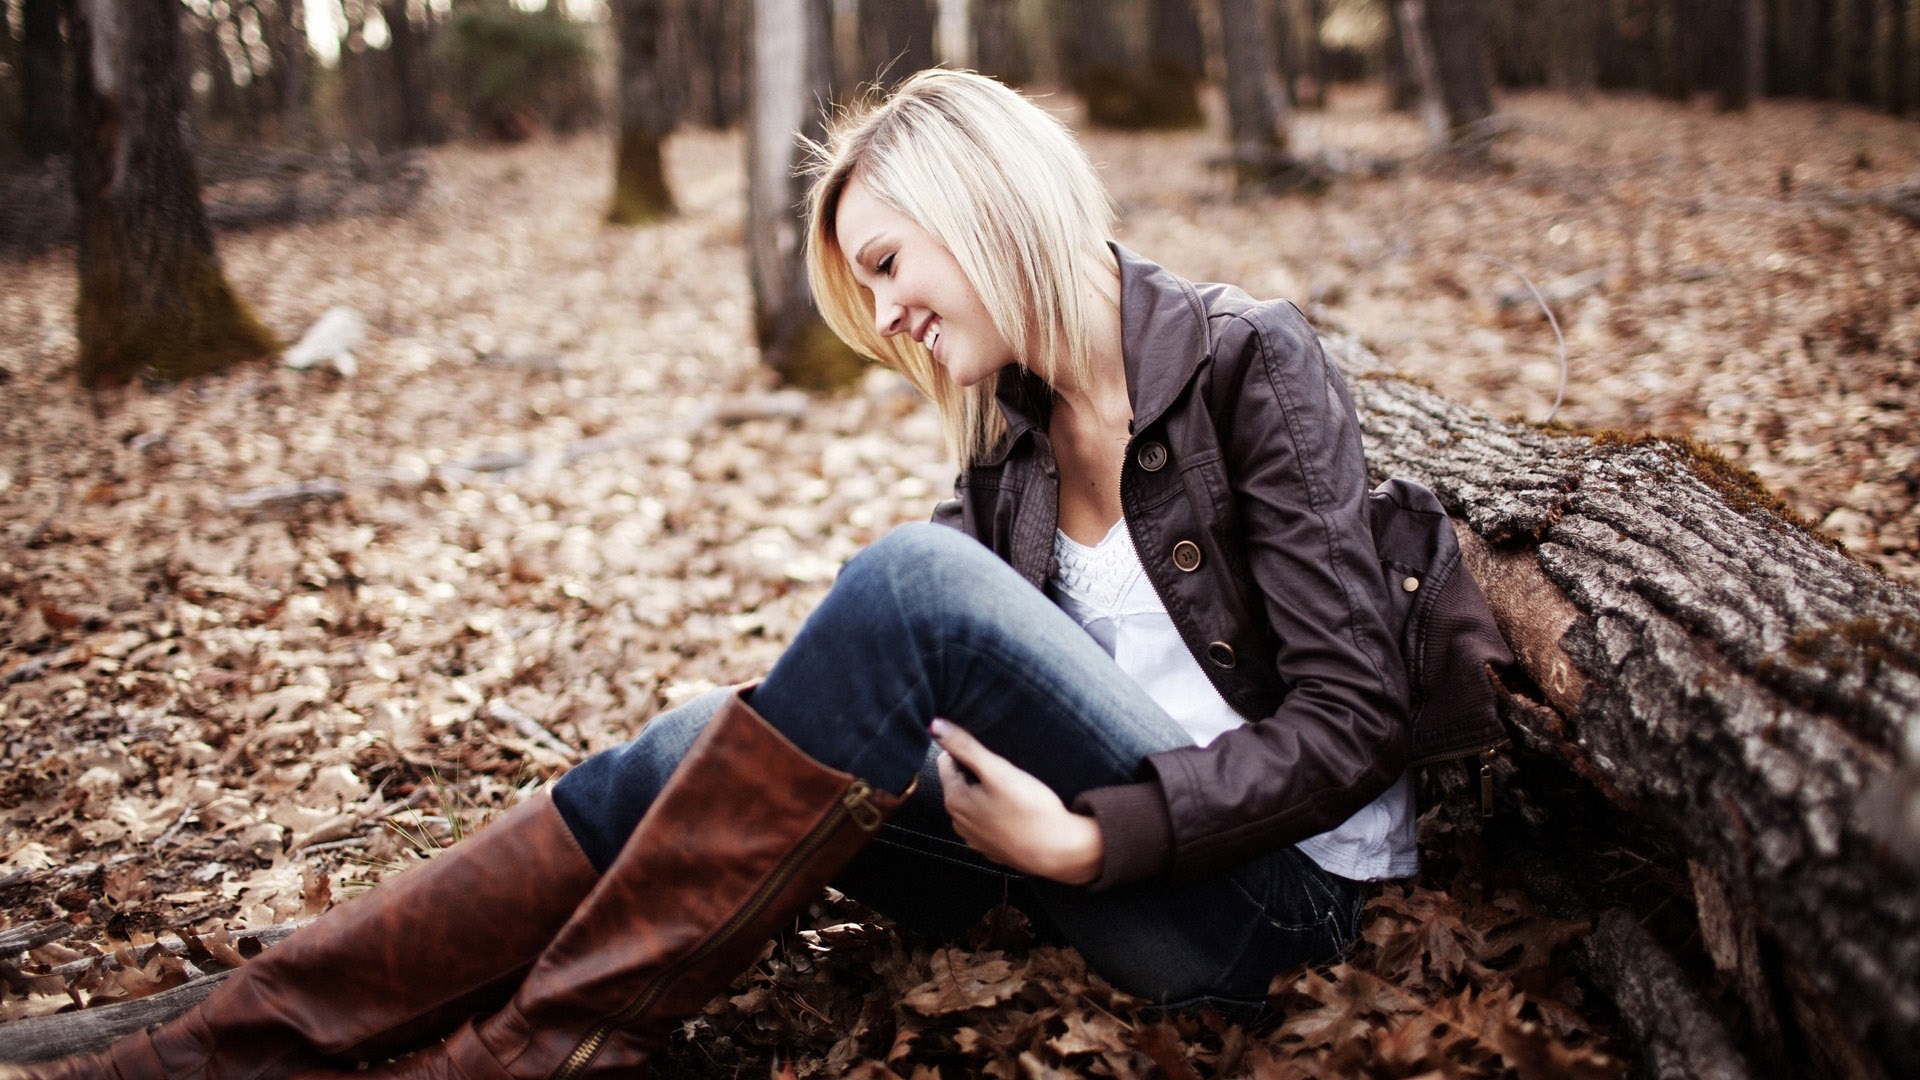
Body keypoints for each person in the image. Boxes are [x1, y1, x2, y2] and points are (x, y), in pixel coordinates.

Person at [16, 70, 1422, 1079]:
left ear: (987, 205)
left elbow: (1354, 723)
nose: (886, 318)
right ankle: (240, 1032)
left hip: (1271, 916)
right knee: (708, 733)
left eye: (886, 263)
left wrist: (1091, 843)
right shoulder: (1017, 443)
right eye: (863, 293)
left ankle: (532, 1049)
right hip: (1083, 867)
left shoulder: (1246, 360)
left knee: (915, 585)